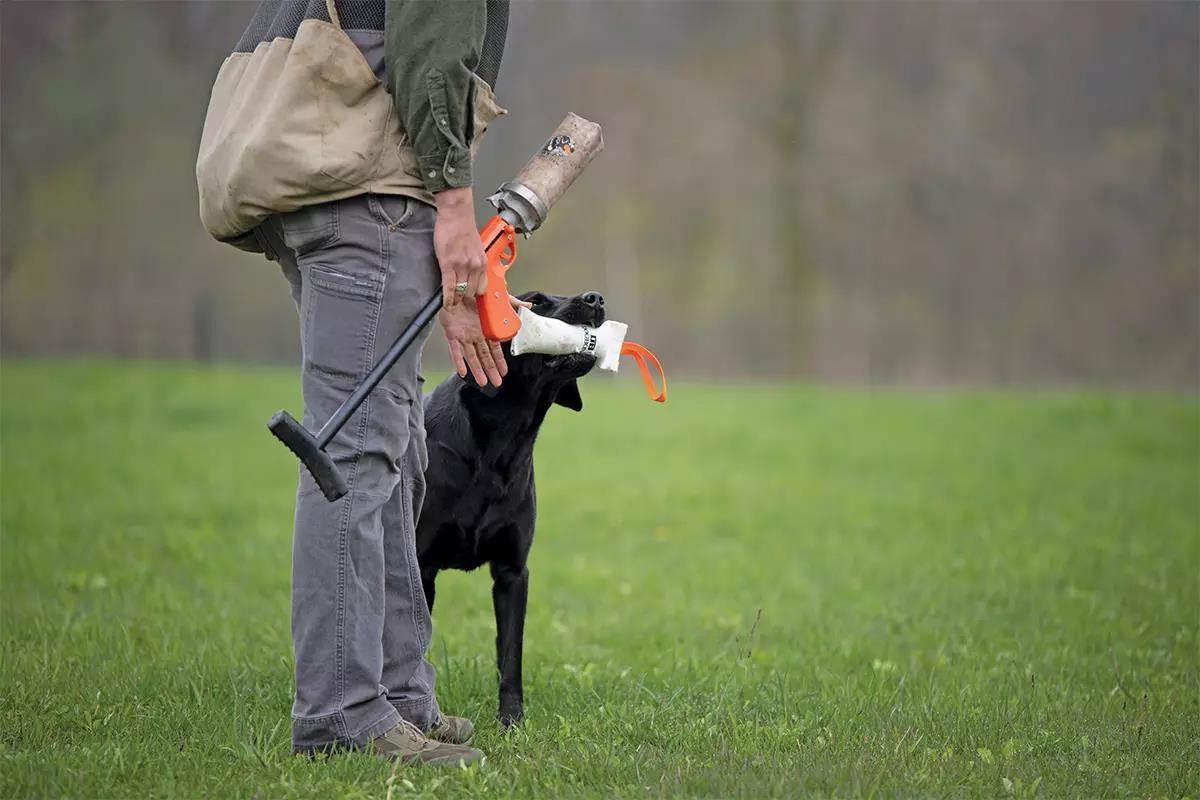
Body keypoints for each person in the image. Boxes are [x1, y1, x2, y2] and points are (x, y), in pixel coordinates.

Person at [197, 0, 519, 765]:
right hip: (366, 191)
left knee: (395, 444)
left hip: (326, 181)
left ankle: (399, 695)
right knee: (355, 455)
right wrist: (453, 204)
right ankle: (341, 713)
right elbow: (431, 44)